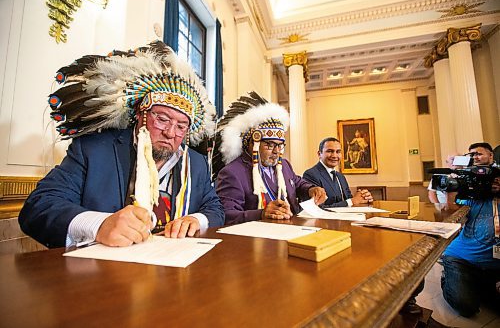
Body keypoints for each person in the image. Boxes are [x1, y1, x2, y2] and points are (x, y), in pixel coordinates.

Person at [19, 41, 224, 248]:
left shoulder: (195, 164)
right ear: (140, 114)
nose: (170, 133)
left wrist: (198, 220)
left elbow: (215, 208)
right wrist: (100, 225)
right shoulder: (96, 150)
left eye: (181, 126)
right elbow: (39, 207)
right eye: (162, 119)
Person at [214, 92, 327, 225]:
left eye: (280, 145)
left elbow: (296, 182)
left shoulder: (284, 165)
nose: (277, 151)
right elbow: (226, 214)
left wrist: (310, 189)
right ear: (252, 143)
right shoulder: (232, 172)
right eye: (269, 145)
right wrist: (261, 213)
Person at [440, 172, 500, 317]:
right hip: (462, 259)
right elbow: (449, 209)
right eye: (493, 181)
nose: (495, 184)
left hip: (495, 265)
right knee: (466, 306)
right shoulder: (475, 199)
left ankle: (481, 285)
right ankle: (447, 278)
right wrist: (451, 188)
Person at [303, 137, 373, 207]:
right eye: (330, 151)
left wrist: (363, 198)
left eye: (338, 152)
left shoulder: (341, 177)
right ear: (319, 154)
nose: (334, 155)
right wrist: (352, 201)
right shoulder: (310, 174)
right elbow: (317, 209)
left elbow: (349, 200)